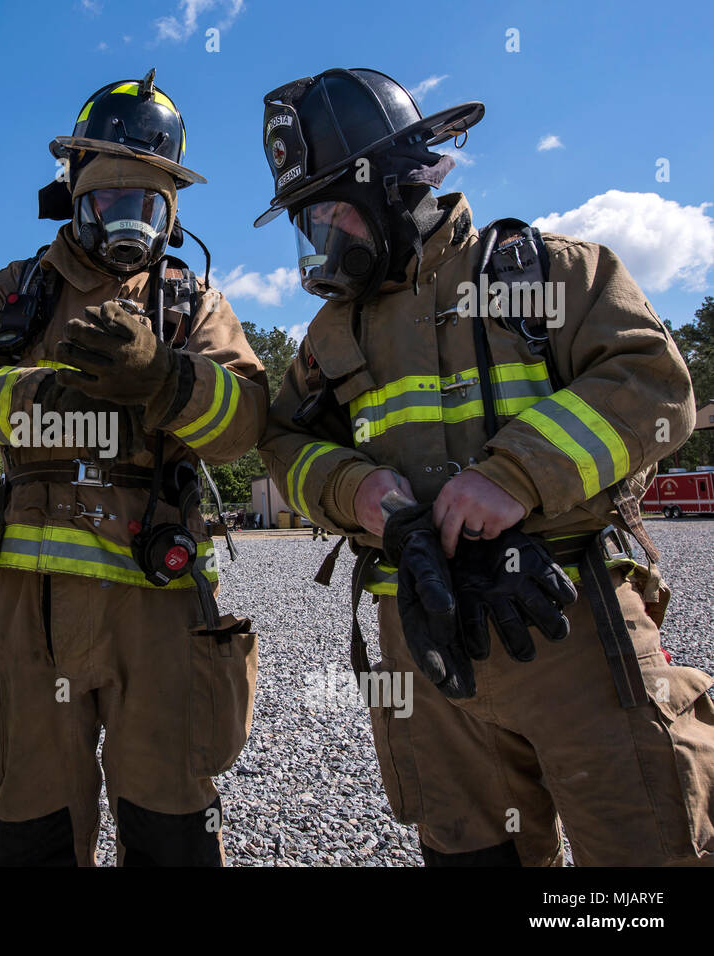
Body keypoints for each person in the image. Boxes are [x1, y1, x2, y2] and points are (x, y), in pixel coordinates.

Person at [256, 67, 714, 866]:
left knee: (646, 850)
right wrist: (352, 489)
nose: (324, 238)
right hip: (421, 642)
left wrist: (513, 474)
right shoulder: (331, 337)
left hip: (566, 616)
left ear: (396, 183)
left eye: (335, 211)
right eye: (310, 218)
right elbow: (282, 443)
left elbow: (653, 386)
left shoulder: (547, 274)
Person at [0, 70, 268, 866]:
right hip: (27, 610)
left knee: (171, 809)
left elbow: (246, 421)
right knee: (35, 812)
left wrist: (170, 379)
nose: (126, 225)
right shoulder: (16, 295)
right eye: (108, 204)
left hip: (159, 600)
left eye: (145, 208)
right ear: (72, 199)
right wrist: (34, 394)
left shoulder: (193, 306)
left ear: (171, 215)